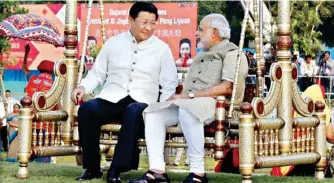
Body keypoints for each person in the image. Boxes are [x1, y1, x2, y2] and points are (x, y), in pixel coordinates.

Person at [130, 13, 248, 183]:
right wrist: (178, 97)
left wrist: (189, 96)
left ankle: (198, 173)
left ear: (214, 32)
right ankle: (157, 172)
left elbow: (227, 87)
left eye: (200, 29)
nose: (196, 33)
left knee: (188, 110)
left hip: (218, 105)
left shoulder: (233, 53)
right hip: (190, 103)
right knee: (153, 113)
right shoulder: (201, 54)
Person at [71, 2, 177, 182]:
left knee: (134, 111)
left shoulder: (162, 49)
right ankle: (92, 168)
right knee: (87, 109)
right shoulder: (113, 43)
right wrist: (82, 87)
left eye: (152, 23)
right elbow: (97, 74)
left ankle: (116, 168)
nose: (148, 27)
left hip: (142, 103)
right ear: (131, 20)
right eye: (144, 22)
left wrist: (162, 108)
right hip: (112, 97)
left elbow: (169, 84)